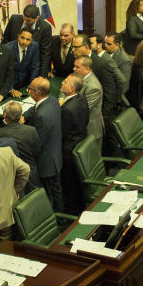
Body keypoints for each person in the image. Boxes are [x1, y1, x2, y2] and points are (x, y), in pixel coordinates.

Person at [24, 77, 63, 211]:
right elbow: (34, 108)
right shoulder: (52, 100)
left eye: (30, 89)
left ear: (37, 93)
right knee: (56, 189)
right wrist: (25, 115)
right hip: (55, 155)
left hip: (46, 162)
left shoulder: (42, 116)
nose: (28, 91)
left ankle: (56, 220)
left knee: (50, 194)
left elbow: (37, 143)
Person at [0, 100, 42, 193]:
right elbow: (38, 151)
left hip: (12, 178)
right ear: (20, 115)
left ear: (4, 115)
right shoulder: (31, 130)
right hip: (31, 174)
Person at [59, 74, 88, 214]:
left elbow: (61, 133)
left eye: (64, 82)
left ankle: (71, 211)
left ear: (71, 89)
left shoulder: (67, 109)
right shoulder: (81, 99)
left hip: (68, 152)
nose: (61, 83)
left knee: (69, 183)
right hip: (79, 143)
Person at [2, 4, 53, 76]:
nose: (25, 22)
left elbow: (45, 53)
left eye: (28, 20)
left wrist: (42, 75)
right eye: (24, 18)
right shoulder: (14, 19)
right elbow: (6, 39)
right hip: (12, 66)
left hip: (31, 68)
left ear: (37, 18)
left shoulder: (45, 28)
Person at [72, 52, 104, 142]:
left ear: (87, 69)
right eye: (74, 66)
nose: (73, 69)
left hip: (90, 130)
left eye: (77, 67)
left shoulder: (94, 87)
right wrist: (61, 99)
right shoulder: (77, 75)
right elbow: (65, 85)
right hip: (79, 127)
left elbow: (83, 110)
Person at [4, 27, 40, 96]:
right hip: (9, 86)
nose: (24, 42)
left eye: (28, 39)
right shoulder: (7, 49)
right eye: (22, 38)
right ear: (18, 36)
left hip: (25, 85)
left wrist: (31, 85)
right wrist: (11, 90)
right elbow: (4, 72)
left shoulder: (34, 46)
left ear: (32, 40)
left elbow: (35, 68)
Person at [103, 31, 134, 96]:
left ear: (117, 45)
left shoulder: (125, 61)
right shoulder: (104, 53)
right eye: (104, 42)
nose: (105, 45)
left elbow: (124, 86)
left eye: (108, 44)